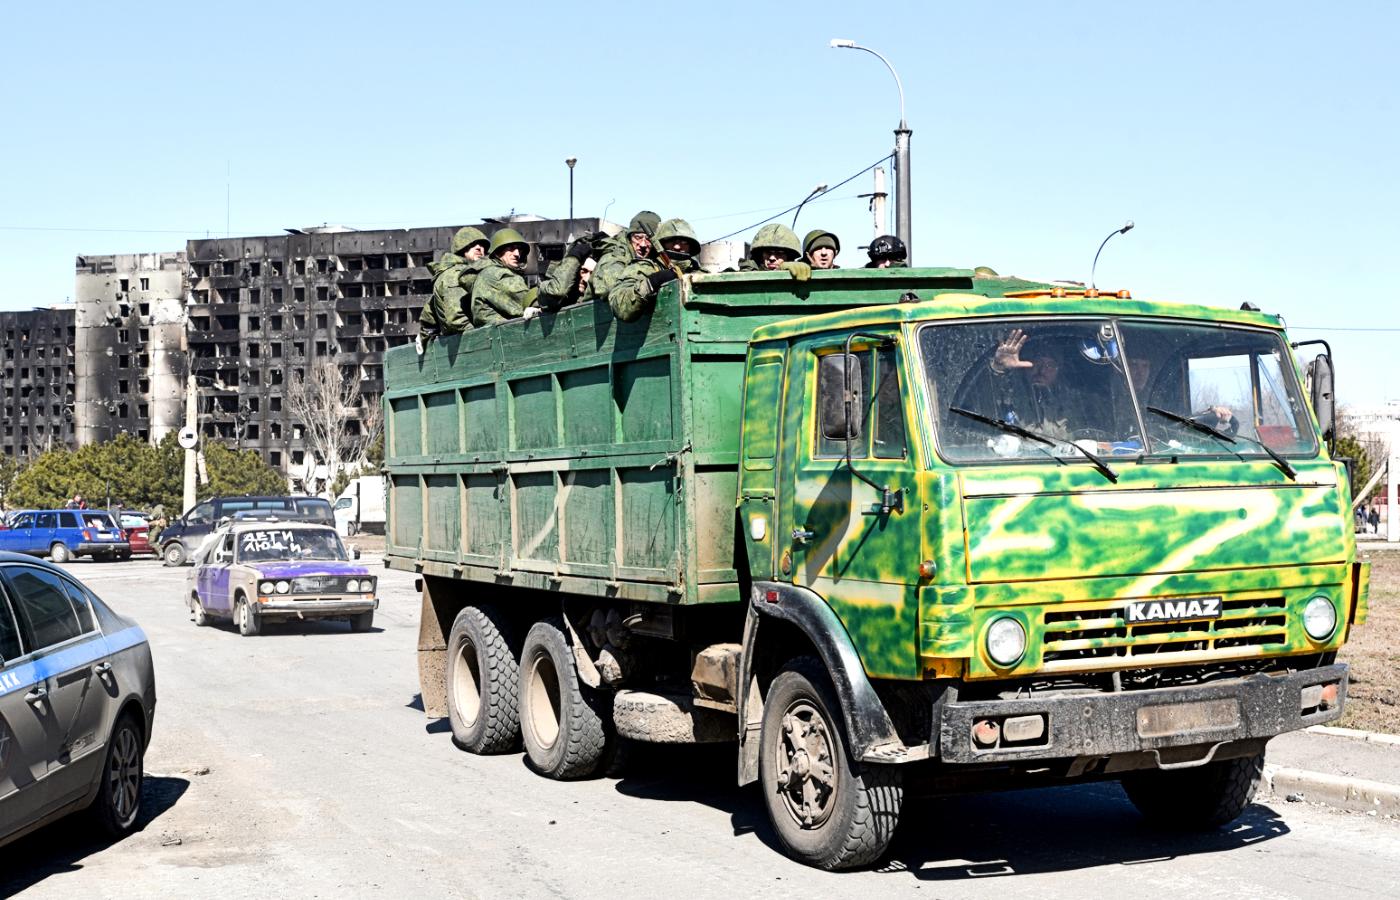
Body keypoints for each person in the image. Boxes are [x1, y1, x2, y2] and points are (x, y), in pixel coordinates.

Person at [608, 218, 704, 322]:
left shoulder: (699, 273)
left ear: (691, 246)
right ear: (661, 244)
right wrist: (652, 282)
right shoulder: (643, 268)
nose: (677, 246)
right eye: (671, 241)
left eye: (683, 242)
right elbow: (620, 308)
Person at [418, 226, 490, 345]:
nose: (479, 248)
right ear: (461, 248)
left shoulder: (472, 272)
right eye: (472, 244)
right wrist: (481, 338)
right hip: (467, 343)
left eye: (483, 246)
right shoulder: (454, 275)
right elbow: (456, 318)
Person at [470, 228, 542, 327]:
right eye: (511, 248)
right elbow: (530, 300)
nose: (517, 254)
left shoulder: (488, 271)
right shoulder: (498, 274)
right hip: (504, 333)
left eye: (519, 249)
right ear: (498, 252)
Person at [590, 211, 660, 303]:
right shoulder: (615, 255)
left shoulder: (656, 256)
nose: (643, 244)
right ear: (629, 238)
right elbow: (606, 290)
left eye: (648, 239)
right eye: (638, 238)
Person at [736, 224, 811, 280]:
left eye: (779, 253)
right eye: (768, 252)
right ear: (760, 255)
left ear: (789, 257)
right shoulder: (749, 271)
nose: (772, 258)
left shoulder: (795, 272)